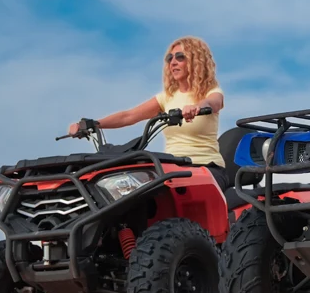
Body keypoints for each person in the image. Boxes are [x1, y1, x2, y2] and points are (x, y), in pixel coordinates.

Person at [68, 36, 229, 192]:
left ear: (196, 60)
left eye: (180, 57)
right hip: (173, 167)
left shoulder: (210, 92)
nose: (173, 62)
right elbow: (129, 116)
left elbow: (213, 102)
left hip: (206, 167)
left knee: (176, 190)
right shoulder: (167, 97)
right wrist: (93, 124)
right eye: (170, 58)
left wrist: (196, 107)